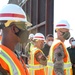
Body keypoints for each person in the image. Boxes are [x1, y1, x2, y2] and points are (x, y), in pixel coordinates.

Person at [0, 4, 32, 75]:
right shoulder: (1, 61)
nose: (26, 31)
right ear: (14, 29)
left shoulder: (15, 54)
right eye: (24, 27)